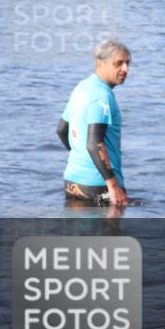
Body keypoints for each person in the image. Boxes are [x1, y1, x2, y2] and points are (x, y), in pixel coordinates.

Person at [56, 40, 132, 206]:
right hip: (99, 186)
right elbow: (94, 143)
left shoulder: (81, 88)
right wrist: (113, 186)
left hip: (72, 181)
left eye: (127, 63)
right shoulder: (101, 96)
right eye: (118, 63)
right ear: (100, 64)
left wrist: (81, 158)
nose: (125, 69)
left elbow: (62, 130)